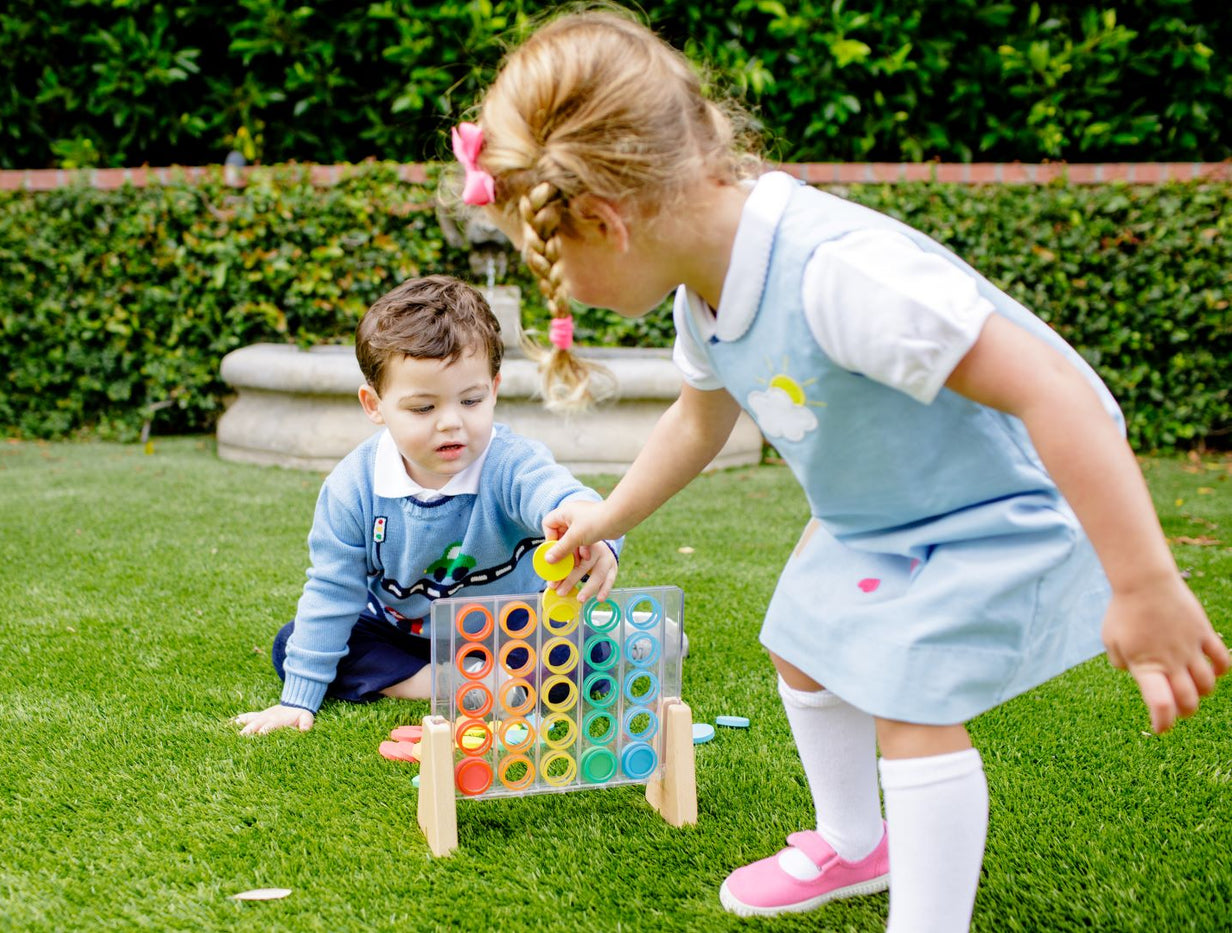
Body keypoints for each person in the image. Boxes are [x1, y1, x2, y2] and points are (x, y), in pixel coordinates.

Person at [450, 8, 1230, 932]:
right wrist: (607, 516)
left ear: (609, 224)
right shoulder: (705, 285)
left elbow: (1055, 393)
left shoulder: (836, 275)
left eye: (550, 262)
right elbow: (699, 417)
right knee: (803, 641)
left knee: (906, 699)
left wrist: (1143, 582)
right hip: (889, 508)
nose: (562, 287)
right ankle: (858, 844)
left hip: (1005, 497)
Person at [234, 275, 620, 736]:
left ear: (494, 389)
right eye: (422, 408)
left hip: (513, 632)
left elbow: (565, 497)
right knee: (294, 644)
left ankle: (626, 640)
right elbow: (333, 590)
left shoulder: (511, 463)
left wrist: (587, 526)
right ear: (374, 405)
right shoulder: (352, 487)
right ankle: (448, 685)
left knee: (584, 655)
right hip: (407, 637)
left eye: (471, 400)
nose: (451, 423)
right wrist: (297, 700)